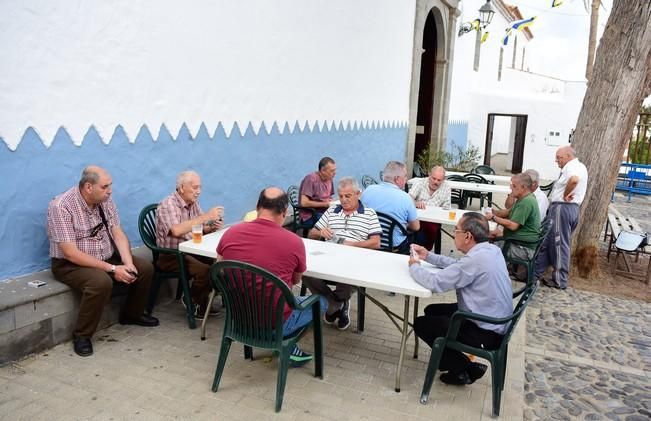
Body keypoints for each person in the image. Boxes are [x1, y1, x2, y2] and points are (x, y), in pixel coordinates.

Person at [47, 166, 158, 357]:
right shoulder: (61, 207)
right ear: (88, 187)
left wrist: (127, 261)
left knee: (144, 268)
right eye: (105, 186)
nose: (110, 190)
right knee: (100, 282)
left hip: (106, 256)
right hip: (70, 264)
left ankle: (132, 315)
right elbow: (71, 253)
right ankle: (82, 336)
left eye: (110, 185)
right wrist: (114, 269)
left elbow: (117, 232)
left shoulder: (104, 200)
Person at [216, 187, 328, 367]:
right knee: (320, 302)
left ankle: (286, 347)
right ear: (284, 212)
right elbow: (297, 280)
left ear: (257, 206)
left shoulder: (231, 233)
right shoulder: (293, 242)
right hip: (275, 324)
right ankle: (287, 346)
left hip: (240, 320)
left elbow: (219, 269)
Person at [408, 212, 513, 385]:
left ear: (468, 236)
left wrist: (414, 266)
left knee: (422, 324)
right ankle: (455, 364)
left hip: (485, 329)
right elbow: (460, 266)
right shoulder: (491, 250)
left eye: (456, 230)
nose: (454, 233)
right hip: (495, 319)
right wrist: (428, 256)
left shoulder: (475, 260)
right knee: (431, 311)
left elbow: (434, 283)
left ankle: (464, 367)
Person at [304, 177, 381, 330]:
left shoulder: (369, 213)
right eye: (341, 196)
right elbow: (311, 234)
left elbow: (376, 242)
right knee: (303, 269)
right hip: (328, 255)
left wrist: (354, 245)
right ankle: (337, 303)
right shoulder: (332, 210)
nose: (344, 200)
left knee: (349, 273)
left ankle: (334, 304)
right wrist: (320, 232)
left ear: (358, 194)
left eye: (348, 196)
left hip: (354, 256)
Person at [156, 170, 225, 318]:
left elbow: (198, 227)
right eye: (194, 187)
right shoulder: (168, 205)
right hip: (171, 255)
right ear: (182, 188)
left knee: (220, 263)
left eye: (200, 187)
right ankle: (192, 299)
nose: (198, 191)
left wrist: (210, 227)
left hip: (192, 248)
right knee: (205, 270)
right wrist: (206, 216)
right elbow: (176, 230)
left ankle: (203, 300)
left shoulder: (192, 203)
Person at [535, 146, 588, 290]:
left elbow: (574, 180)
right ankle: (534, 273)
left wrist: (566, 194)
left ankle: (560, 280)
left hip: (562, 207)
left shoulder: (573, 167)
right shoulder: (577, 166)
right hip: (565, 208)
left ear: (568, 156)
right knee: (547, 242)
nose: (556, 160)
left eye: (559, 157)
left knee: (559, 244)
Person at [360, 161, 420, 253]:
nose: (406, 179)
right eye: (405, 176)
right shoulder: (405, 197)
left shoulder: (368, 190)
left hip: (368, 244)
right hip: (394, 248)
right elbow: (416, 227)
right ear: (397, 179)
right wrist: (403, 224)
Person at [487, 173, 541, 257]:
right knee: (490, 235)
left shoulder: (526, 202)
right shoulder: (525, 197)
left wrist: (493, 217)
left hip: (523, 248)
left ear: (523, 187)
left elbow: (513, 226)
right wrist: (492, 212)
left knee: (485, 248)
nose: (511, 188)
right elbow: (508, 212)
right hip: (517, 241)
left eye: (514, 186)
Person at [408, 165, 451, 253]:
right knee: (416, 227)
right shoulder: (420, 183)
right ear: (429, 175)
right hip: (417, 216)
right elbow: (409, 197)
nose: (435, 182)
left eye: (439, 180)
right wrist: (415, 203)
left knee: (430, 228)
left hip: (433, 219)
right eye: (433, 178)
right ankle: (416, 250)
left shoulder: (446, 187)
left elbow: (447, 207)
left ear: (443, 180)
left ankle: (423, 251)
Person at [298, 157, 337, 226]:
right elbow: (303, 203)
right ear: (322, 170)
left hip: (324, 212)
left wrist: (333, 202)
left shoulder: (329, 179)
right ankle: (314, 235)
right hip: (310, 215)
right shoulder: (311, 179)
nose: (335, 173)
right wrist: (325, 204)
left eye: (335, 170)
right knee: (334, 223)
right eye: (332, 171)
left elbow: (328, 197)